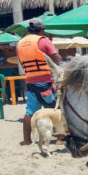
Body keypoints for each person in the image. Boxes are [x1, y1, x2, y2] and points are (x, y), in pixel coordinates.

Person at [16, 18, 62, 146]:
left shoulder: (20, 43)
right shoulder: (43, 41)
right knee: (56, 109)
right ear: (41, 29)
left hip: (30, 82)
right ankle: (59, 138)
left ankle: (26, 140)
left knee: (30, 111)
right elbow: (56, 58)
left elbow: (21, 63)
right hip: (45, 82)